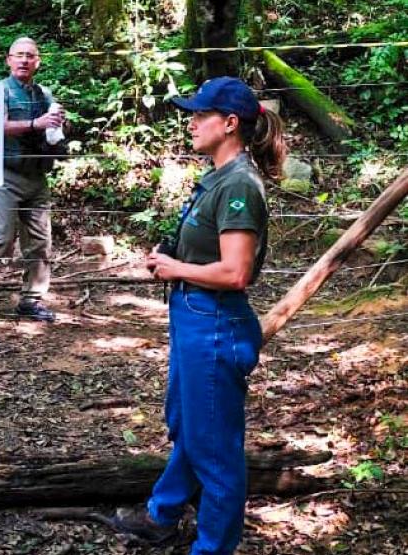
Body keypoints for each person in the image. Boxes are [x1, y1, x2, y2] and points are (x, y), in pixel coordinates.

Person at [109, 77, 286, 554]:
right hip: (193, 316)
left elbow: (235, 272)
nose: (191, 121)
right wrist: (169, 255)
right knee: (188, 425)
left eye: (200, 114)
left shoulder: (240, 186)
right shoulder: (217, 178)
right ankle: (163, 514)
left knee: (216, 452)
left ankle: (212, 546)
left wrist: (174, 267)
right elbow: (205, 247)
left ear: (230, 124)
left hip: (215, 324)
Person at [0, 36, 64, 322]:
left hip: (37, 176)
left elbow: (51, 127)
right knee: (1, 237)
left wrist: (58, 123)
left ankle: (32, 299)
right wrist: (35, 124)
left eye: (30, 56)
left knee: (40, 241)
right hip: (5, 174)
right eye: (18, 55)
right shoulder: (0, 91)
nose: (24, 60)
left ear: (38, 62)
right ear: (8, 60)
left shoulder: (44, 93)